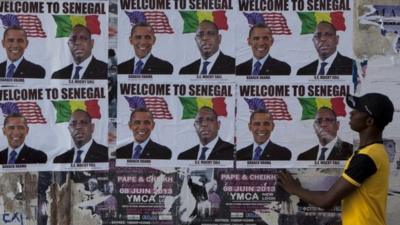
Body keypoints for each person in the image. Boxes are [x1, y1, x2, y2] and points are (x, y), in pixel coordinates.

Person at [278, 93, 394, 225]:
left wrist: (295, 189)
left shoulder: (366, 158)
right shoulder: (373, 151)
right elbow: (341, 196)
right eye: (319, 121)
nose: (351, 113)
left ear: (369, 121)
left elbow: (326, 201)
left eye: (357, 110)